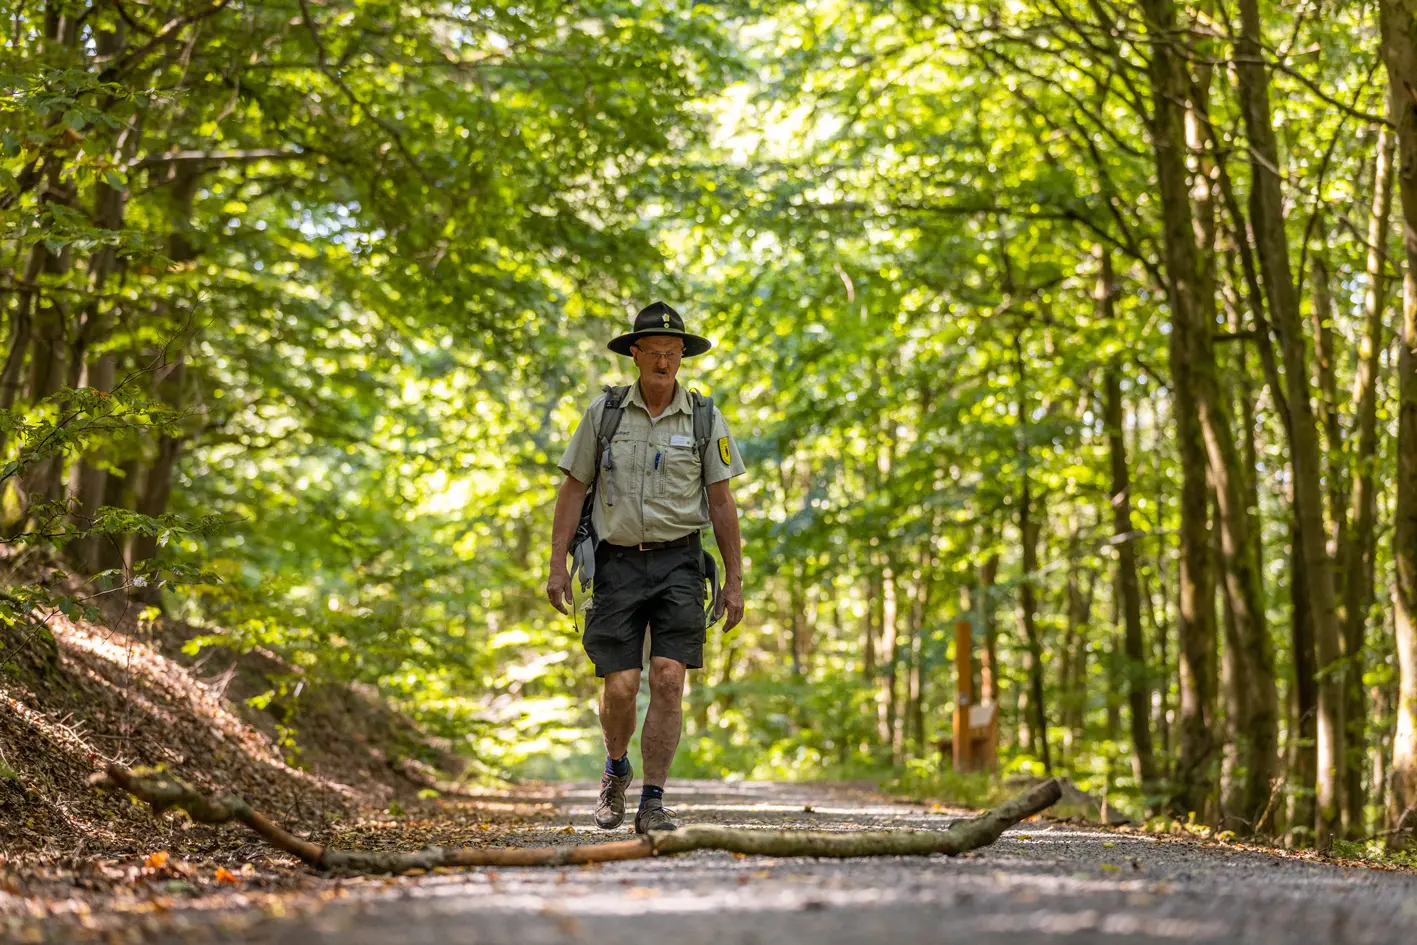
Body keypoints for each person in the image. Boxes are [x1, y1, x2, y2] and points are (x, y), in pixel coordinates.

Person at [546, 301, 745, 833]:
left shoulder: (705, 418)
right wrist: (557, 565)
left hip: (680, 561)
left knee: (669, 678)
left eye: (672, 353)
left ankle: (653, 800)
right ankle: (615, 770)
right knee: (619, 685)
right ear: (635, 355)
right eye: (653, 352)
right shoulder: (604, 414)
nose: (663, 362)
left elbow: (722, 503)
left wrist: (734, 582)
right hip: (615, 564)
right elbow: (572, 488)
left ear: (683, 356)